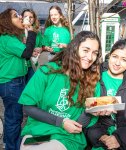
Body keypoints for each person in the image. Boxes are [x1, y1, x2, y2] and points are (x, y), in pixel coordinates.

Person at [18, 31, 102, 150]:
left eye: (95, 53)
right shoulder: (48, 71)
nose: (89, 57)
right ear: (74, 48)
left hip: (66, 137)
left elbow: (80, 125)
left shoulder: (92, 82)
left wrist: (89, 111)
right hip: (38, 132)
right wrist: (61, 122)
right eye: (85, 50)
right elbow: (28, 107)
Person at [85, 39, 126, 150]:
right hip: (100, 137)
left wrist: (120, 139)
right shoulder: (92, 78)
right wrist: (101, 136)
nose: (117, 63)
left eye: (124, 59)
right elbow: (82, 117)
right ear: (109, 55)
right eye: (115, 56)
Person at [0, 8, 36, 150]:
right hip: (11, 84)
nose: (20, 17)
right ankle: (11, 147)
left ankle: (12, 145)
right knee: (14, 119)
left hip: (14, 82)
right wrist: (31, 31)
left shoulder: (11, 38)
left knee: (14, 118)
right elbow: (27, 53)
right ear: (8, 22)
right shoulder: (6, 39)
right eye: (16, 16)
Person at [21, 9, 43, 82]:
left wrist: (40, 49)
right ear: (21, 18)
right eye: (26, 16)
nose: (28, 19)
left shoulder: (37, 32)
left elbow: (41, 46)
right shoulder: (18, 31)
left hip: (33, 64)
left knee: (30, 86)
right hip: (22, 64)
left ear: (34, 19)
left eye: (31, 17)